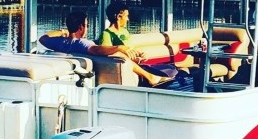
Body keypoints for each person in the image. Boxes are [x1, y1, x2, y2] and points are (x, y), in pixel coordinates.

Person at [39, 9, 173, 87]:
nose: (87, 28)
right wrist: (119, 48)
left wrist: (63, 31)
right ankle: (150, 77)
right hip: (111, 74)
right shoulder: (82, 43)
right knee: (170, 70)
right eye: (86, 25)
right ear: (81, 27)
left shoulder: (61, 43)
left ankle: (151, 76)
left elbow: (43, 38)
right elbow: (96, 50)